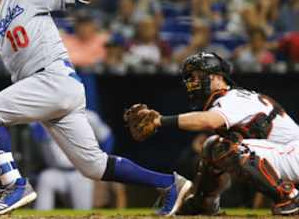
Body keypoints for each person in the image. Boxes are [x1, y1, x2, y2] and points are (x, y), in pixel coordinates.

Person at [0, 0, 192, 216]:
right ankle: (169, 184)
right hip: (48, 89)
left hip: (52, 78)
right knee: (94, 167)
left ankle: (15, 185)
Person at [125, 52, 299, 215]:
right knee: (211, 146)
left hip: (293, 153)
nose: (192, 82)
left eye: (196, 76)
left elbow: (208, 120)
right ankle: (204, 202)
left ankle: (289, 198)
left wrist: (160, 120)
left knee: (223, 147)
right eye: (189, 78)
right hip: (283, 153)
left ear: (216, 77)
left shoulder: (233, 97)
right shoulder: (232, 97)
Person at [32, 109, 114, 210]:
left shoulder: (88, 116)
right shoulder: (43, 120)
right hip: (56, 172)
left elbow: (106, 138)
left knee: (82, 212)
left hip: (81, 173)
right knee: (45, 179)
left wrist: (100, 168)